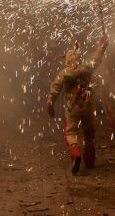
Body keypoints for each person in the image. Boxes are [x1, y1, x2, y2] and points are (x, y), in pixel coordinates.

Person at [46, 35, 108, 175]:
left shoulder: (63, 74)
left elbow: (55, 90)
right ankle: (90, 162)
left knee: (71, 133)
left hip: (72, 109)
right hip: (87, 107)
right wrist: (102, 47)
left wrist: (49, 103)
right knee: (89, 135)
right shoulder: (86, 68)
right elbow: (97, 59)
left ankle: (76, 156)